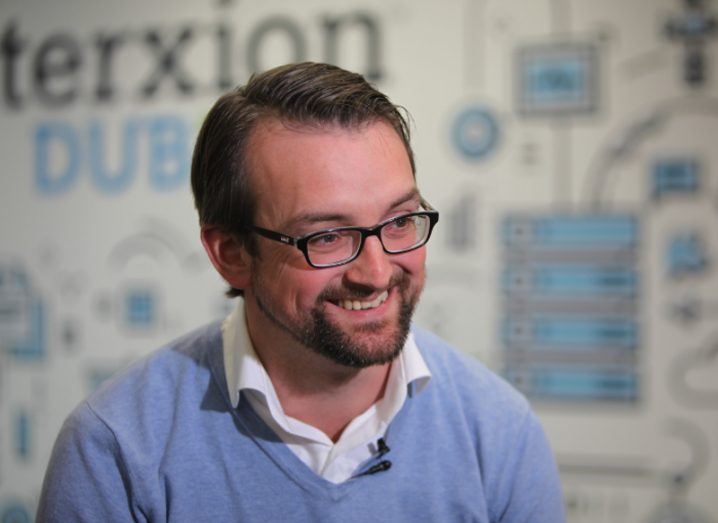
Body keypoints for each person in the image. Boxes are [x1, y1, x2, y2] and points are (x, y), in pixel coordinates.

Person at [38, 62, 565, 522]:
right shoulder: (116, 450)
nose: (377, 272)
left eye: (400, 221)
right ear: (232, 254)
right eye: (327, 236)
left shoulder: (498, 433)